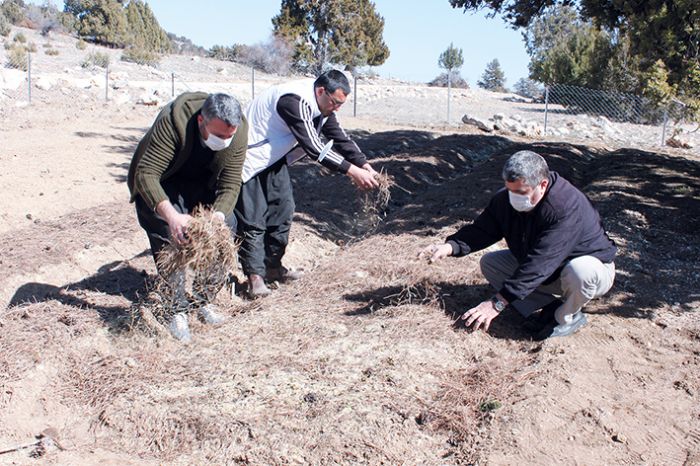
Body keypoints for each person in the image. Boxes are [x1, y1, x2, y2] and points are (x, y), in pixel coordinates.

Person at [420, 150, 616, 340]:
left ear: (543, 184)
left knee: (580, 271)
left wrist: (497, 303)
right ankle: (551, 306)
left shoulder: (564, 206)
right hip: (549, 270)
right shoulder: (505, 199)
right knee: (490, 263)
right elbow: (483, 230)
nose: (514, 197)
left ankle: (566, 317)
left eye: (521, 192)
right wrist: (451, 246)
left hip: (591, 271)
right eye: (510, 190)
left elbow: (541, 262)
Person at [236, 70, 380, 297]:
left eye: (341, 104)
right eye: (335, 102)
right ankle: (255, 278)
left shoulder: (323, 106)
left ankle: (273, 268)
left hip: (273, 160)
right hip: (249, 160)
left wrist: (364, 164)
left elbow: (339, 137)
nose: (337, 108)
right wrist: (351, 171)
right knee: (254, 218)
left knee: (283, 211)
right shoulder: (294, 100)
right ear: (321, 91)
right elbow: (313, 146)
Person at [128, 92, 248, 342]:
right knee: (169, 235)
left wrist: (216, 218)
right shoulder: (174, 121)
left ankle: (203, 299)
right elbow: (147, 174)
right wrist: (172, 216)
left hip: (202, 182)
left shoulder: (238, 131)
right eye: (219, 135)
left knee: (228, 226)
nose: (225, 141)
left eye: (229, 136)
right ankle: (176, 309)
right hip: (164, 180)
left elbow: (231, 184)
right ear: (202, 120)